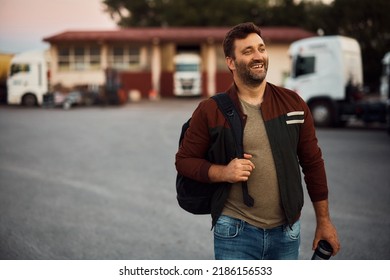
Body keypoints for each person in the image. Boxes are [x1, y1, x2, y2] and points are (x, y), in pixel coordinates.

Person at [175, 22, 340, 260]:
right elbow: (184, 161)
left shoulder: (293, 104)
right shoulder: (210, 110)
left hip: (287, 233)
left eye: (261, 48)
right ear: (231, 62)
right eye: (248, 51)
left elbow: (313, 163)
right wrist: (223, 172)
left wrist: (324, 221)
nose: (258, 56)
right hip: (235, 232)